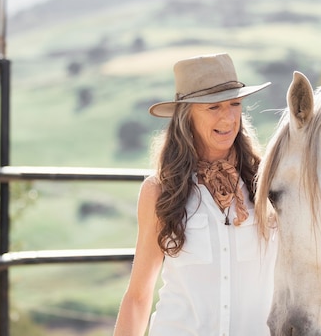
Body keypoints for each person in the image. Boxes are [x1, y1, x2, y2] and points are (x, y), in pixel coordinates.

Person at [113, 53, 277, 336]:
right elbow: (139, 296)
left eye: (235, 104)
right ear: (186, 115)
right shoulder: (159, 192)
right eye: (213, 107)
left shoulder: (269, 184)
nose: (227, 117)